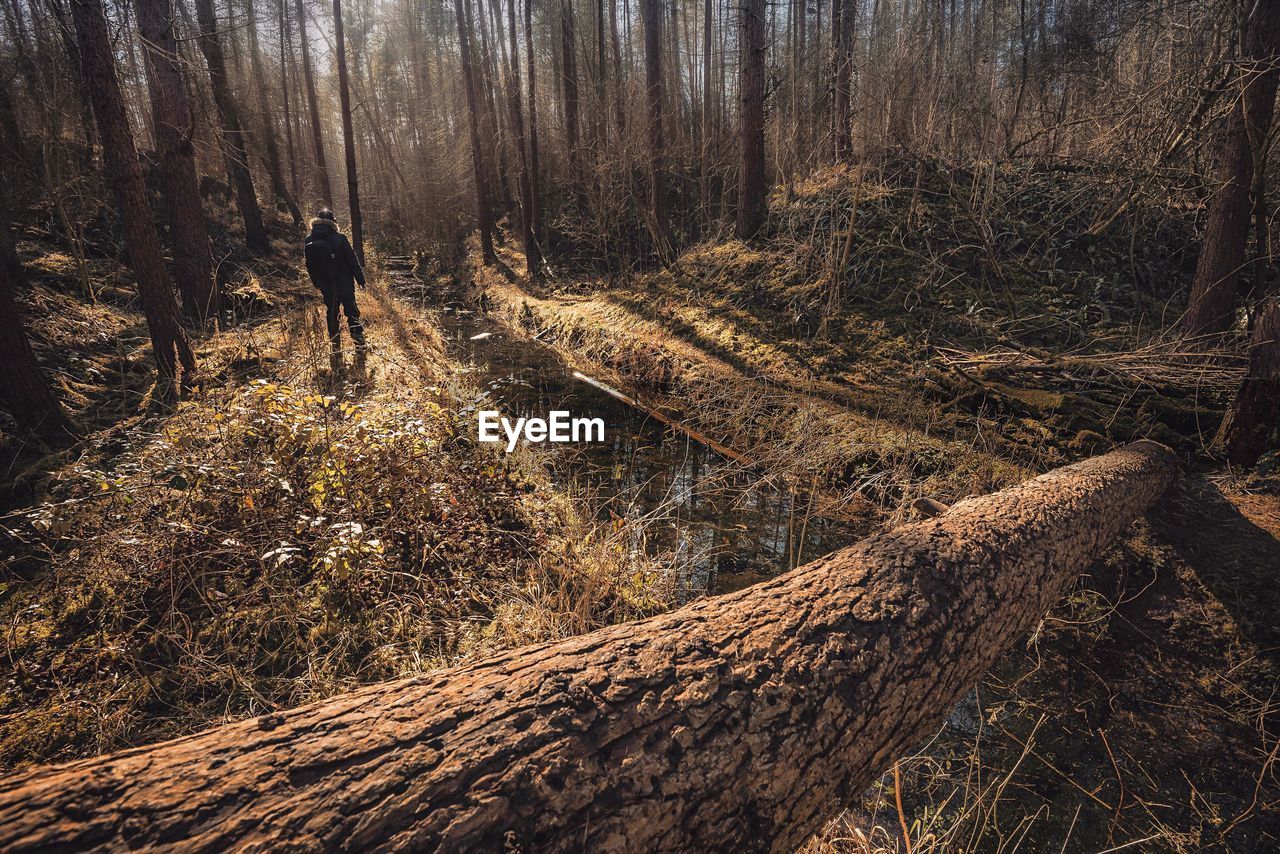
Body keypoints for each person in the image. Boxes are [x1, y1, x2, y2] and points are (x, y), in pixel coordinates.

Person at [304, 209, 366, 348]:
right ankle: (358, 340)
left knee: (332, 311)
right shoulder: (340, 238)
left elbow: (309, 264)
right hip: (345, 284)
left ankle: (334, 341)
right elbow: (352, 260)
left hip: (325, 283)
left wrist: (316, 282)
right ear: (333, 222)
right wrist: (360, 280)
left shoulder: (309, 239)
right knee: (351, 311)